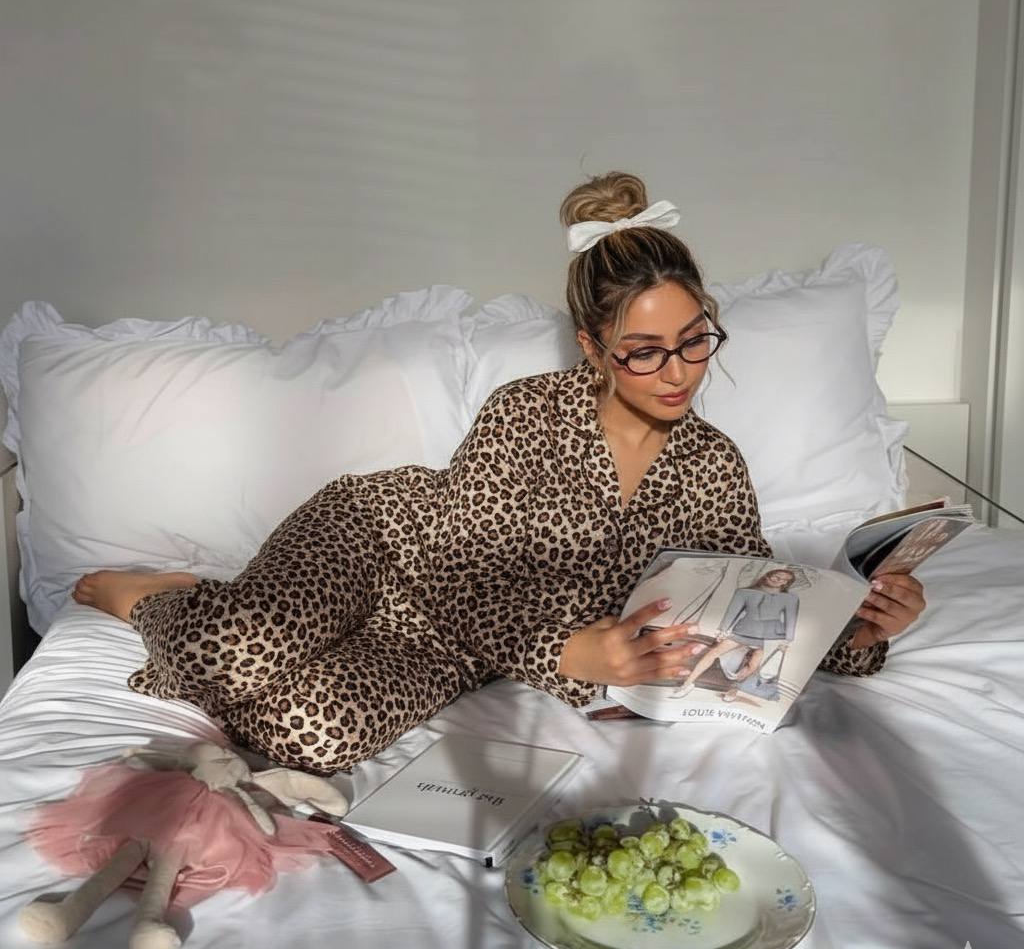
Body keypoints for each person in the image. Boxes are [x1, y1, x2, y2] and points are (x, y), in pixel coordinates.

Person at [72, 171, 926, 775]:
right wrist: (575, 651)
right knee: (233, 651)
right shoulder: (526, 411)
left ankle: (235, 628)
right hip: (385, 545)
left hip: (450, 646)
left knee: (310, 734)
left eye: (695, 341)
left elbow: (752, 619)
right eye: (644, 350)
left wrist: (858, 632)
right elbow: (462, 578)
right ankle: (152, 596)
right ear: (592, 346)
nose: (678, 372)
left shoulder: (714, 469)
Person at [673, 568, 798, 699]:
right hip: (743, 631)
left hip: (770, 637)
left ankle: (734, 690)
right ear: (767, 575)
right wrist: (723, 630)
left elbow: (791, 619)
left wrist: (787, 641)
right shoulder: (744, 592)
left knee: (754, 665)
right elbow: (732, 612)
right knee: (713, 653)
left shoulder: (790, 598)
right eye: (777, 577)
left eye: (785, 580)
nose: (780, 581)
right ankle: (687, 684)